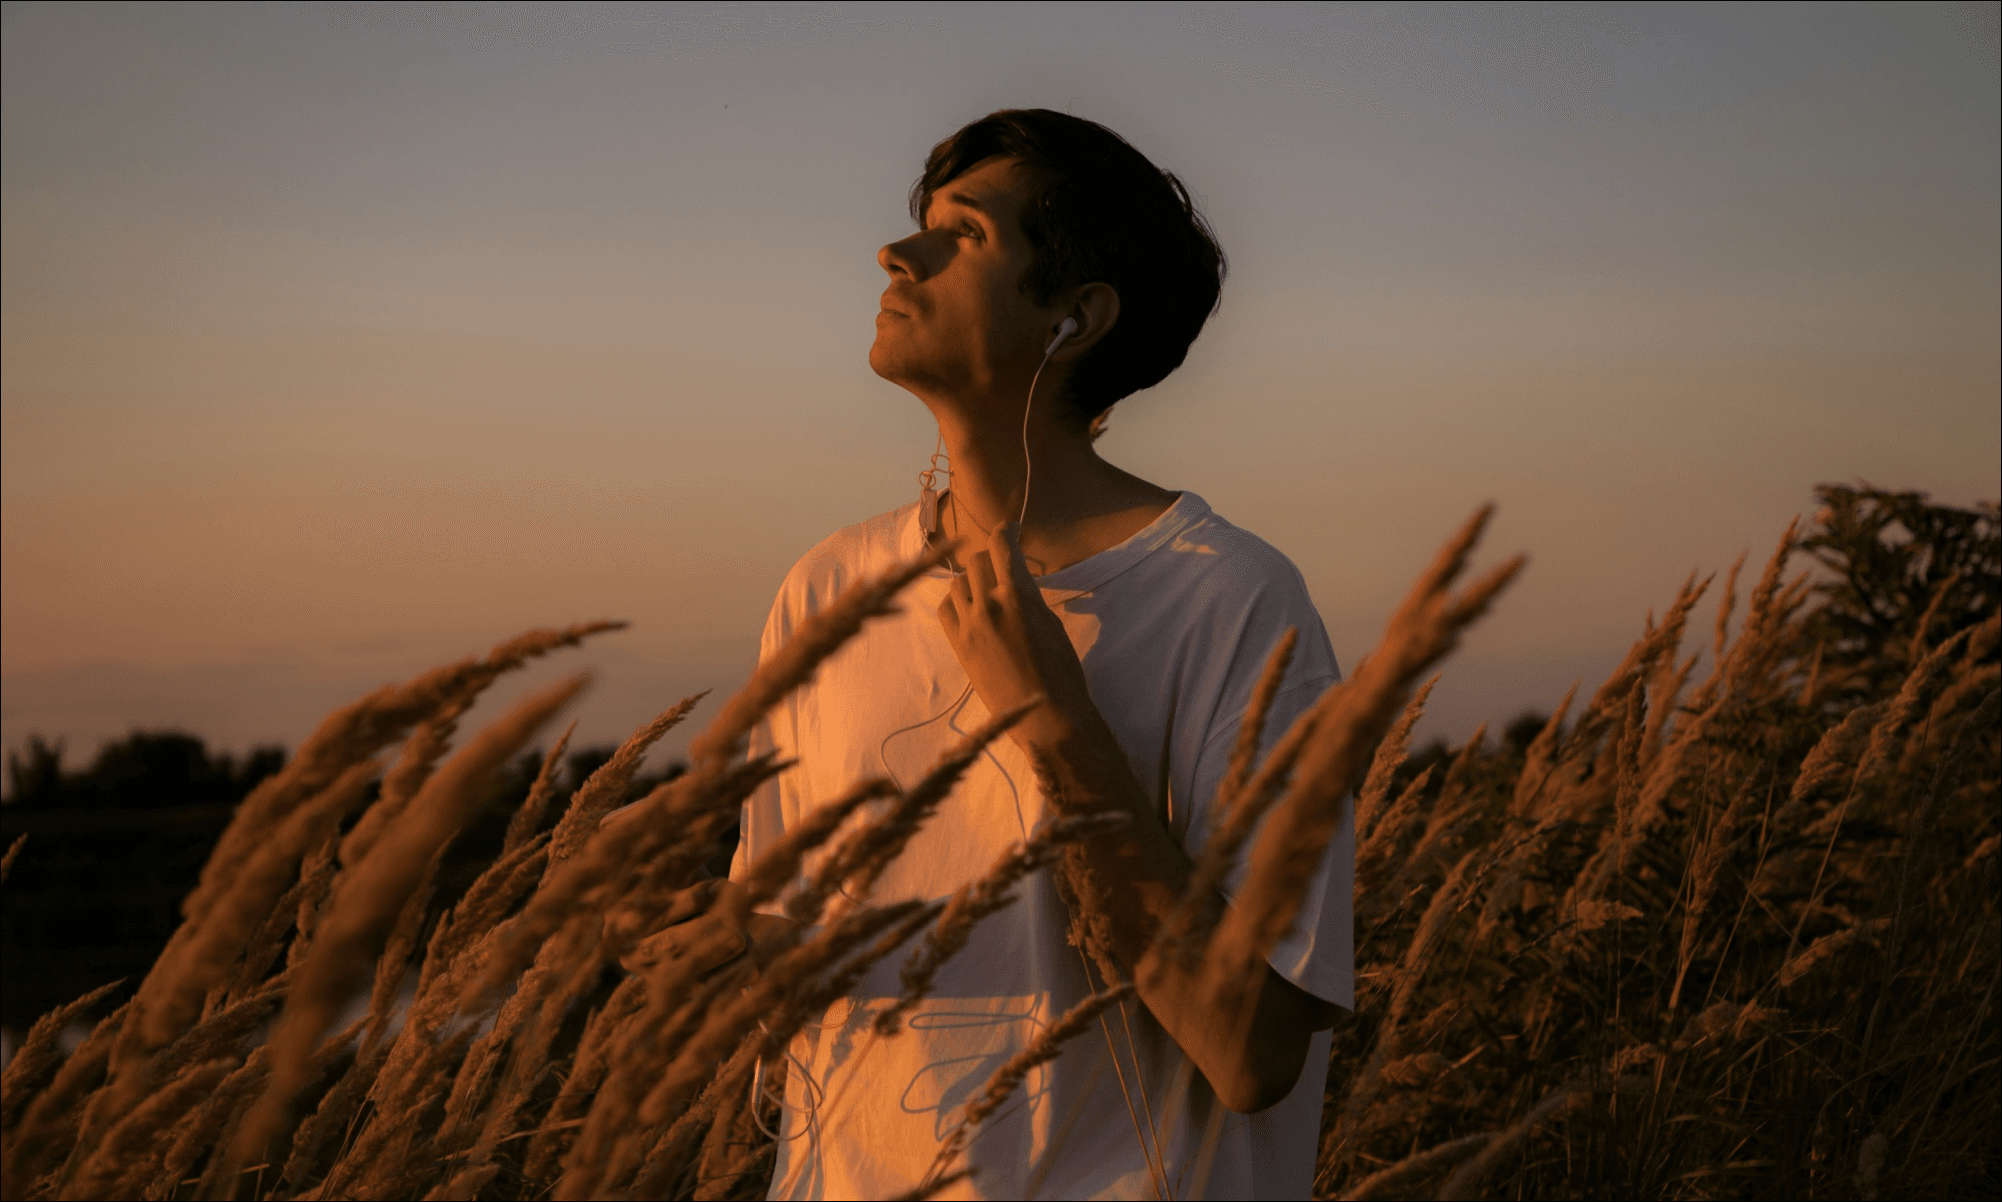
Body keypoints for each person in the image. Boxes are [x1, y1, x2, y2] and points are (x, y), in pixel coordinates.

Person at [724, 109, 1353, 1201]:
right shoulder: (826, 591)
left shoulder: (1231, 598)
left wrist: (1051, 714)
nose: (895, 253)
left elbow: (1249, 1050)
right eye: (916, 224)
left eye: (962, 235)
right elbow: (795, 984)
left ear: (1074, 317)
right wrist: (688, 946)